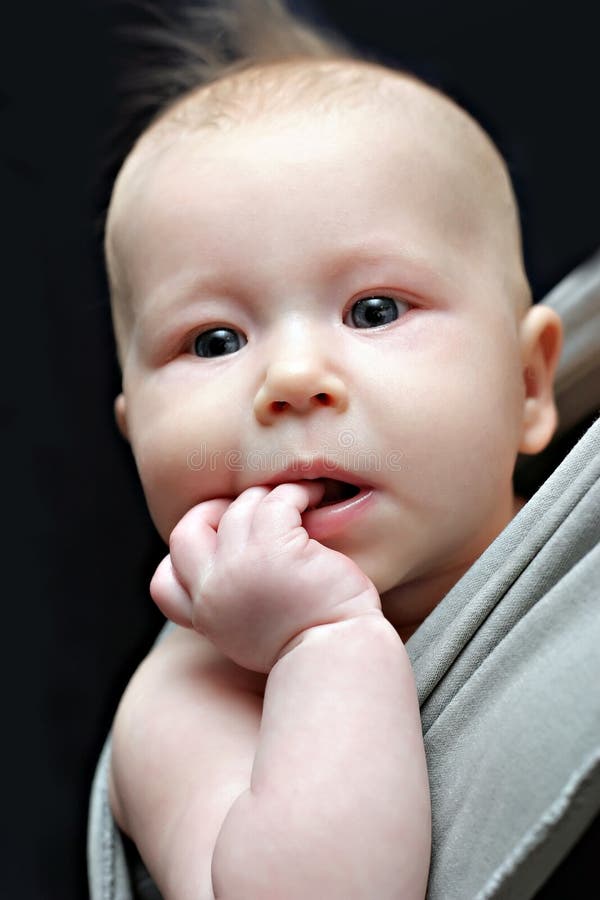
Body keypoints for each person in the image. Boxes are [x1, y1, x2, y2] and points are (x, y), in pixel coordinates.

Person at [101, 3, 563, 898]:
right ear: (136, 439)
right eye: (214, 342)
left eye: (375, 311)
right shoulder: (188, 705)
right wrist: (320, 643)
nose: (293, 377)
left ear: (531, 385)